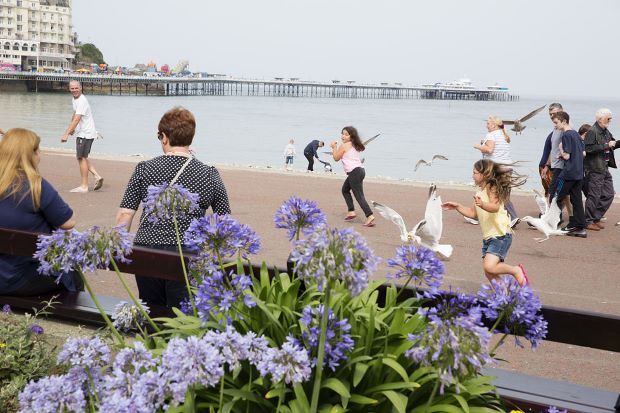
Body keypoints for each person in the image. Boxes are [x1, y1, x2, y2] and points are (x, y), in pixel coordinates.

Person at [115, 107, 231, 308]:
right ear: (190, 138)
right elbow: (224, 219)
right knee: (182, 311)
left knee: (152, 308)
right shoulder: (209, 174)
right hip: (187, 254)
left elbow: (125, 214)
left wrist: (118, 250)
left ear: (164, 137)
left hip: (146, 250)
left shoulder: (144, 168)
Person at [0, 128, 82, 295]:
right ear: (30, 155)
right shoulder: (36, 186)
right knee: (73, 274)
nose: (40, 155)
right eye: (38, 150)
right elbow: (68, 222)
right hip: (19, 279)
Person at [442, 159, 528, 287]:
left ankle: (516, 270)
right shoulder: (479, 193)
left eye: (475, 172)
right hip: (489, 237)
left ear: (484, 174)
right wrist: (458, 206)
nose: (472, 175)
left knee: (490, 267)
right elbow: (473, 213)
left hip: (501, 234)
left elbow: (495, 207)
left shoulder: (491, 187)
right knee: (489, 272)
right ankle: (503, 296)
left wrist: (482, 204)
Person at [473, 116, 519, 227]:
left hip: (496, 168)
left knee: (490, 192)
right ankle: (510, 217)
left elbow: (489, 150)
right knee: (502, 193)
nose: (486, 125)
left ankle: (478, 216)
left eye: (488, 123)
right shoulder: (503, 134)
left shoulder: (491, 135)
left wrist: (478, 146)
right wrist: (484, 144)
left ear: (494, 125)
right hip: (507, 167)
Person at [61, 80, 104, 193]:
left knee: (80, 158)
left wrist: (66, 133)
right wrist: (72, 128)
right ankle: (97, 176)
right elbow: (75, 114)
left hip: (85, 133)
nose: (74, 90)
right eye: (72, 88)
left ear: (80, 88)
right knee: (82, 157)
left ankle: (84, 186)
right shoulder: (75, 99)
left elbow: (77, 118)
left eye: (76, 88)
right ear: (69, 89)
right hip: (85, 132)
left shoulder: (82, 100)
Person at [330, 126, 376, 227]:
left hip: (355, 172)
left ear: (352, 136)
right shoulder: (354, 145)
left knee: (359, 196)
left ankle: (370, 216)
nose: (343, 136)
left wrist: (333, 147)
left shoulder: (345, 145)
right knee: (345, 190)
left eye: (346, 134)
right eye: (342, 133)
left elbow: (336, 158)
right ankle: (351, 212)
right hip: (359, 171)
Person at [552, 111, 586, 238]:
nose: (555, 125)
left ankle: (552, 223)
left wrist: (560, 149)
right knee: (576, 200)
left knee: (556, 197)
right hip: (578, 173)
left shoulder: (566, 135)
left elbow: (567, 156)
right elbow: (582, 154)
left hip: (567, 174)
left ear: (564, 121)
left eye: (556, 123)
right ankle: (580, 227)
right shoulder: (576, 134)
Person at [584, 108, 617, 231]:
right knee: (594, 195)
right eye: (608, 118)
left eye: (610, 117)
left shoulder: (605, 131)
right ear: (600, 119)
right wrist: (606, 145)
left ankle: (595, 217)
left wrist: (616, 143)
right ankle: (588, 220)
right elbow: (588, 149)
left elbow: (613, 143)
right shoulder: (592, 131)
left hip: (604, 167)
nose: (610, 120)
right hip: (595, 168)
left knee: (609, 194)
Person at [539, 103, 564, 197]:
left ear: (562, 112)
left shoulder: (564, 129)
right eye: (550, 114)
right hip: (547, 165)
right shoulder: (555, 128)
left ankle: (554, 211)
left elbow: (560, 149)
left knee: (555, 193)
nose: (552, 116)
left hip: (554, 167)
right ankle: (548, 210)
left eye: (555, 113)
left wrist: (547, 166)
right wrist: (546, 165)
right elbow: (553, 149)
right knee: (549, 192)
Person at [578, 124, 591, 197]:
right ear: (586, 134)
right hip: (581, 174)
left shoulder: (577, 141)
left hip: (580, 173)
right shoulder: (582, 143)